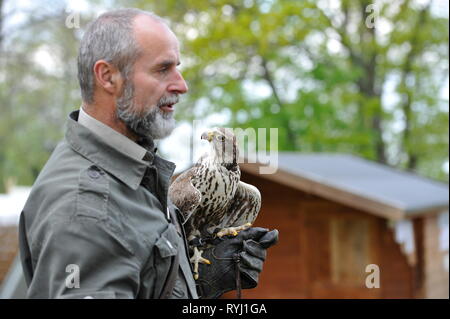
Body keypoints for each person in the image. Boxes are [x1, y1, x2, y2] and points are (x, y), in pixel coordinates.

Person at [18, 8, 278, 299]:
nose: (182, 85)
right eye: (162, 69)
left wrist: (198, 286)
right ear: (108, 77)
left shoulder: (133, 171)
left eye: (178, 67)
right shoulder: (86, 207)